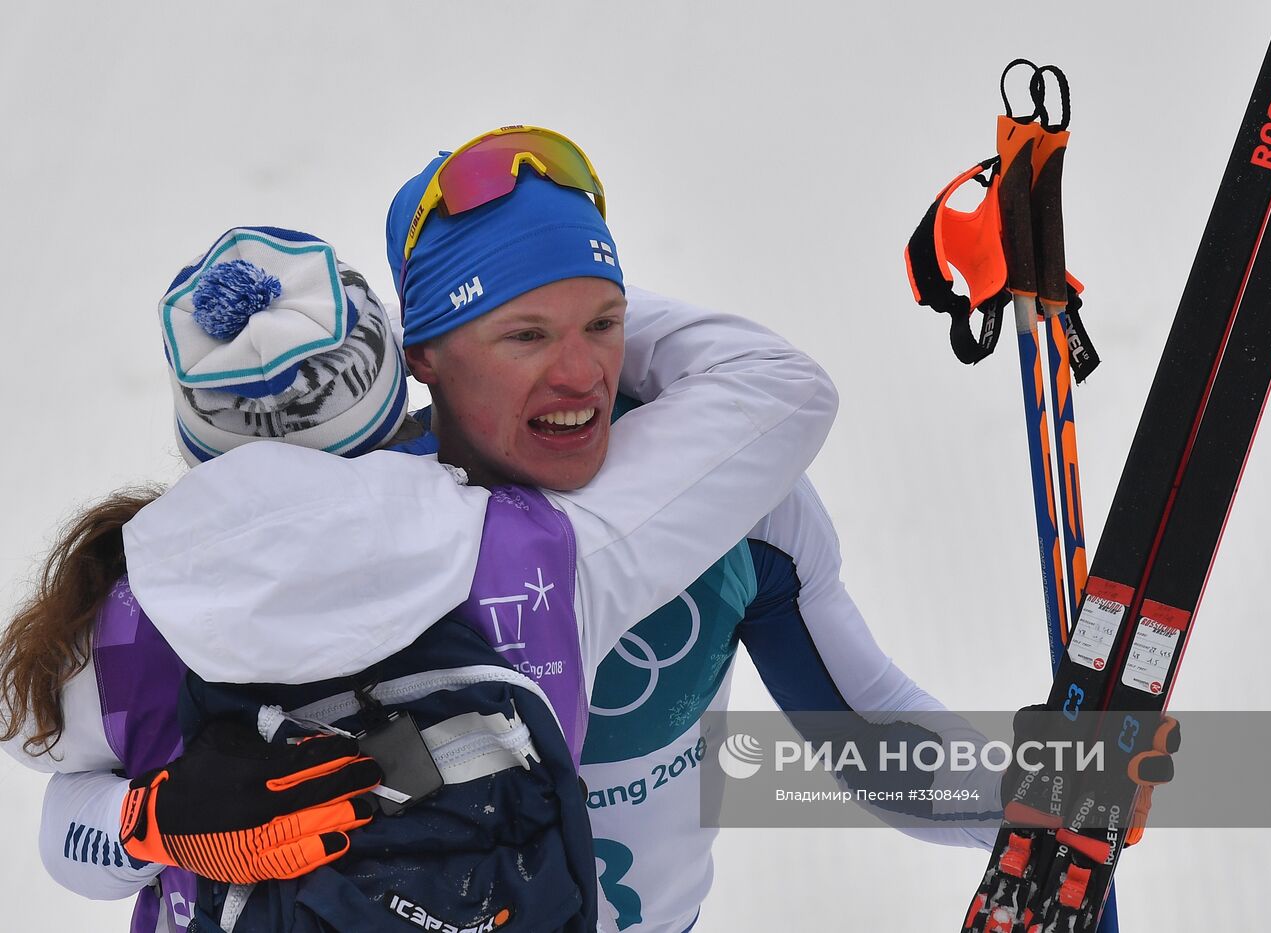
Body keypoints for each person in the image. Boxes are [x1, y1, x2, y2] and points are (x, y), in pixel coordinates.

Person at [3, 128, 836, 932]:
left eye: (597, 326)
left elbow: (54, 817)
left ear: (203, 450)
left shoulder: (140, 621)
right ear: (397, 382)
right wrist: (525, 278)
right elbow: (778, 386)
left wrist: (153, 822)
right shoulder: (540, 550)